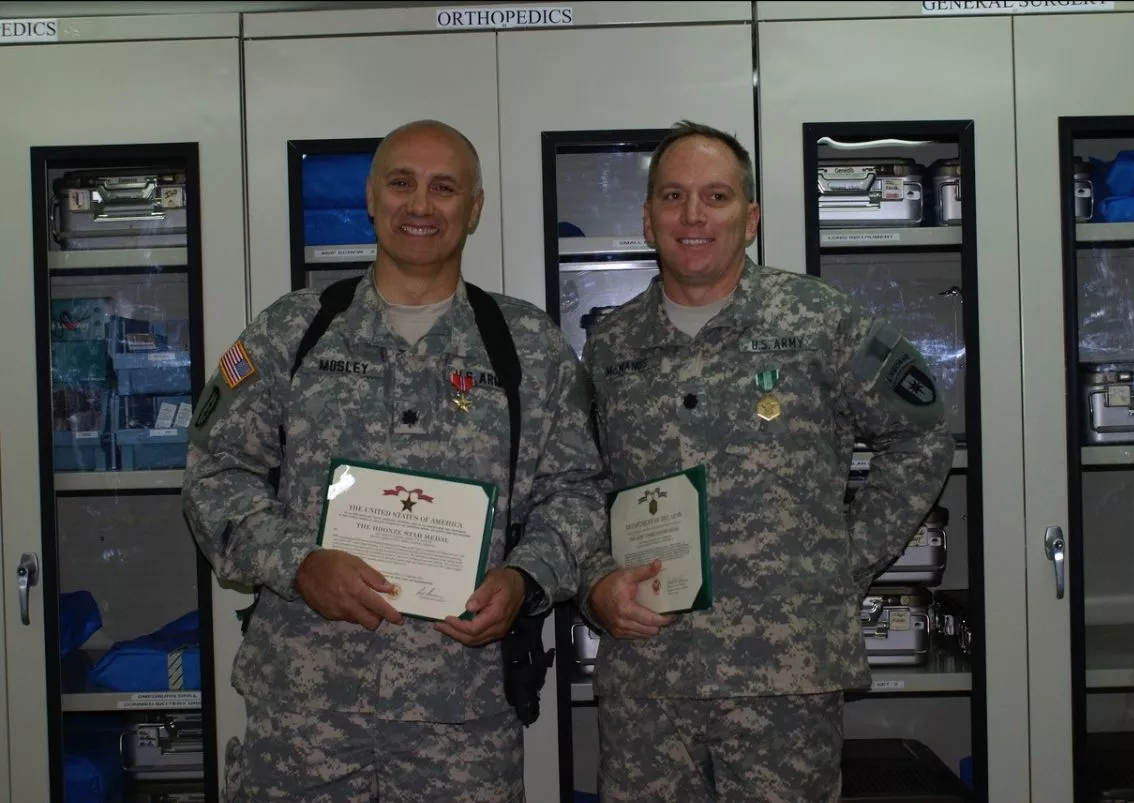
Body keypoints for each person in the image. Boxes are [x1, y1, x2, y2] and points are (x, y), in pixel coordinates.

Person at [182, 119, 608, 803]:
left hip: (462, 722)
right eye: (401, 183)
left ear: (474, 209)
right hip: (304, 719)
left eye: (445, 188)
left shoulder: (526, 346)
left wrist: (527, 578)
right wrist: (297, 562)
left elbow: (580, 494)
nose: (420, 205)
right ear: (371, 199)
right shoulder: (291, 331)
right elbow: (213, 473)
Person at [577, 120, 956, 802]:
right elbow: (584, 485)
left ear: (749, 218)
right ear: (646, 217)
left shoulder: (821, 319)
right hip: (649, 677)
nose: (693, 216)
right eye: (673, 196)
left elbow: (923, 429)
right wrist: (598, 579)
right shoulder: (611, 343)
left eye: (716, 197)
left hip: (784, 674)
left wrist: (843, 558)